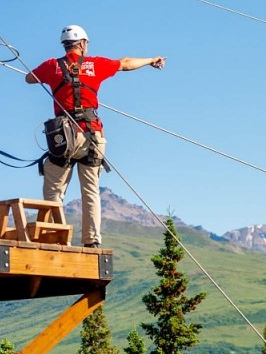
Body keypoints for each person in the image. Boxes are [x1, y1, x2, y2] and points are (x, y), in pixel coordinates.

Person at [25, 24, 166, 248]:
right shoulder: (96, 64)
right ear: (82, 44)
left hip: (64, 136)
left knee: (54, 189)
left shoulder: (52, 66)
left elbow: (29, 78)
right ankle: (91, 241)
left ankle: (53, 237)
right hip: (92, 135)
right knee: (90, 189)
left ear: (66, 45)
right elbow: (126, 63)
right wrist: (151, 60)